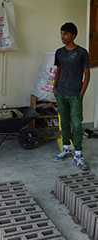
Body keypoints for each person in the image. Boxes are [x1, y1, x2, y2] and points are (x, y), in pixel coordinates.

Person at [52, 22, 90, 171]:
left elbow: (87, 76)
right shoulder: (59, 52)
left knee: (77, 125)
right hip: (61, 93)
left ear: (73, 36)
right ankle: (66, 150)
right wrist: (55, 88)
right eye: (61, 33)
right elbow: (58, 71)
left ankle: (78, 155)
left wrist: (81, 94)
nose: (62, 36)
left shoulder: (82, 53)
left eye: (65, 34)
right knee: (65, 123)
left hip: (75, 94)